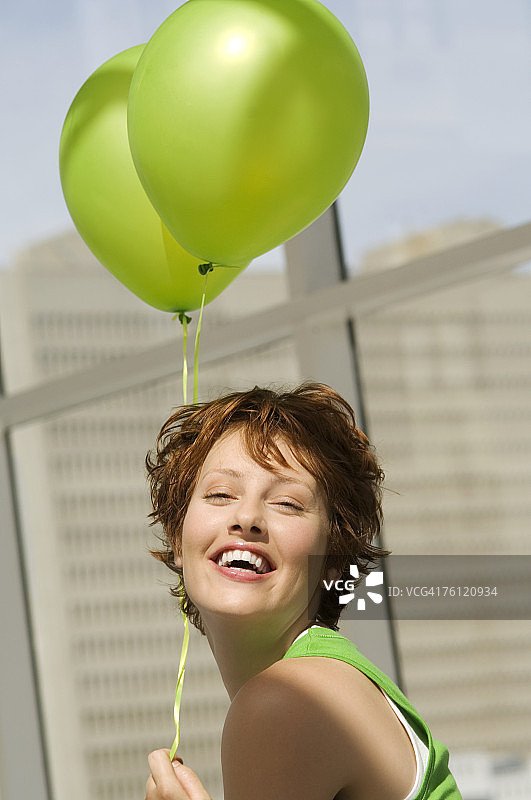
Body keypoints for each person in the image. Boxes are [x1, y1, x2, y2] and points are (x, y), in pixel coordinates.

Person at [143, 382, 462, 800]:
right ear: (177, 535)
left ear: (332, 557)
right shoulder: (319, 681)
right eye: (220, 494)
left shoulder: (285, 700)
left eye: (287, 504)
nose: (247, 516)